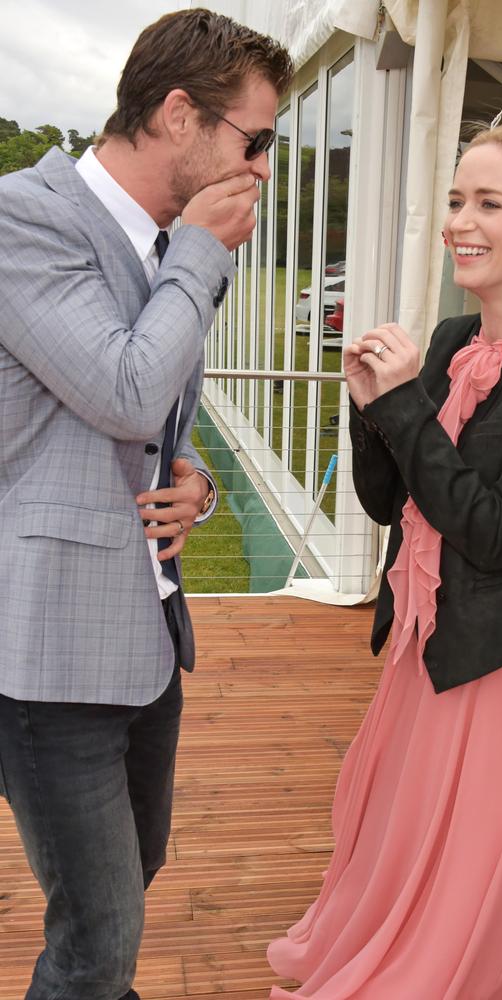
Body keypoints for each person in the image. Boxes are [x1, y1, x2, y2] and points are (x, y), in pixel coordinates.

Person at [267, 124, 502, 998]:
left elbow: (499, 534)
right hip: (422, 648)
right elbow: (391, 502)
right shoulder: (454, 338)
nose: (461, 220)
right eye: (458, 199)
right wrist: (368, 407)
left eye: (488, 203)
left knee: (471, 879)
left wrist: (405, 409)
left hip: (497, 668)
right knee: (409, 847)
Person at [0, 9, 292, 1000]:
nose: (260, 168)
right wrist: (203, 256)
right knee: (100, 941)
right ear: (179, 114)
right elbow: (122, 387)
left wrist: (198, 481)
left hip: (144, 637)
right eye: (254, 140)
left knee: (122, 888)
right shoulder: (22, 219)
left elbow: (145, 417)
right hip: (46, 649)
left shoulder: (160, 241)